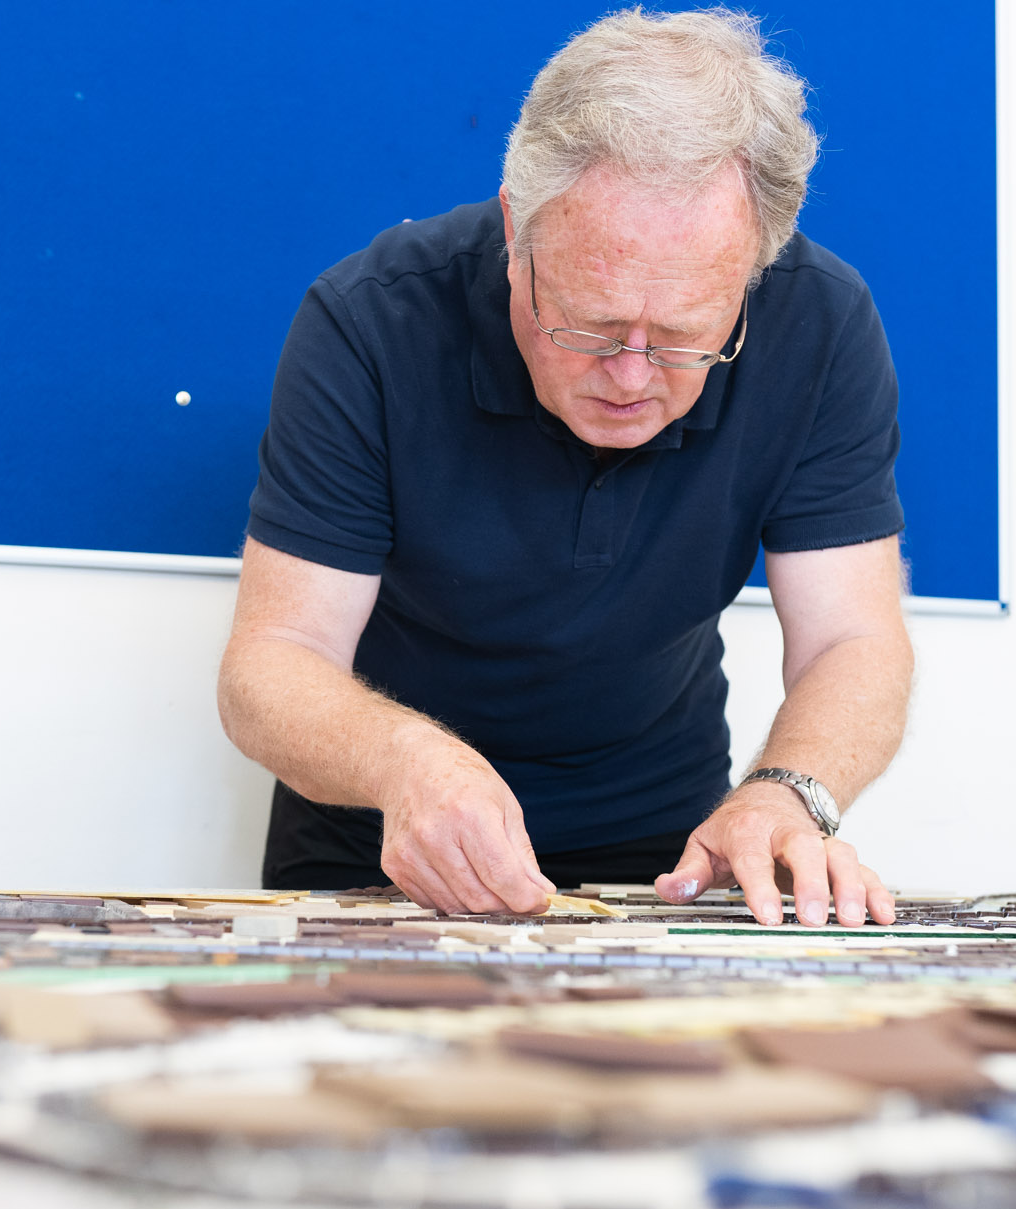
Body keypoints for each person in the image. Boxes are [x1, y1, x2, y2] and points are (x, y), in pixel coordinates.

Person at [217, 7, 913, 926]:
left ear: (753, 270)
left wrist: (786, 795)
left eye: (682, 337)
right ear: (517, 231)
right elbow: (272, 662)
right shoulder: (369, 321)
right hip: (384, 825)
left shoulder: (821, 322)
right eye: (586, 322)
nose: (631, 376)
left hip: (666, 844)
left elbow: (852, 640)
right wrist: (406, 764)